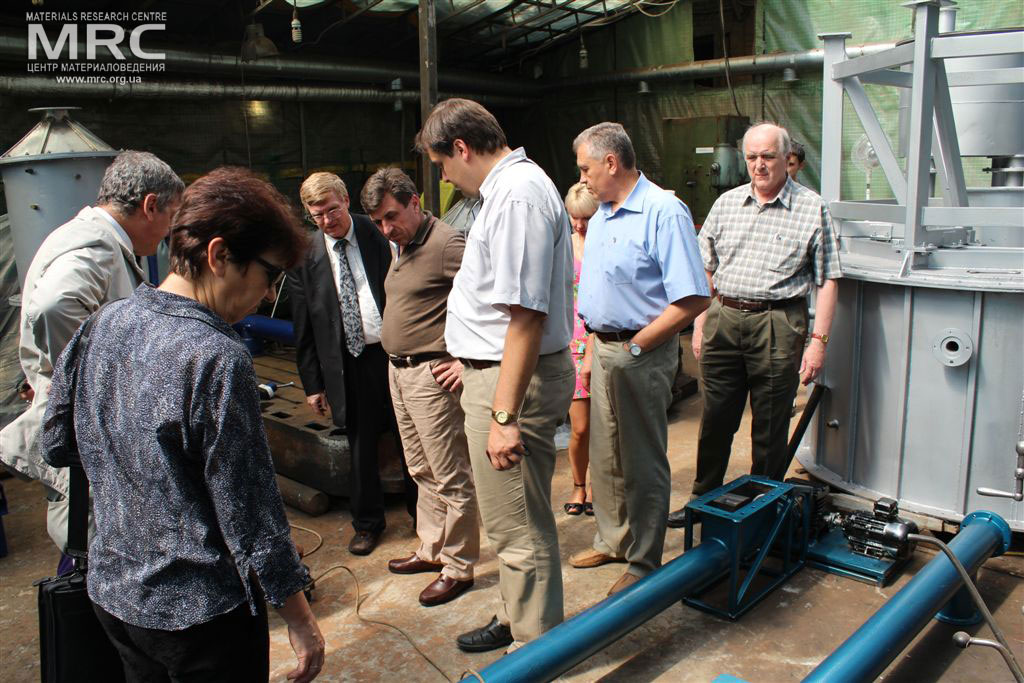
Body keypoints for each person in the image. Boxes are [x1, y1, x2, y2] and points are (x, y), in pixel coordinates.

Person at [40, 167, 325, 682]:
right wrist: (300, 619)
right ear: (219, 255)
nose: (268, 296)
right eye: (270, 275)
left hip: (114, 594)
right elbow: (252, 514)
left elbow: (57, 442)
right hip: (200, 616)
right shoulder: (215, 357)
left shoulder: (104, 321)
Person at [416, 98, 574, 653]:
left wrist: (504, 415)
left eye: (441, 164)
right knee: (513, 517)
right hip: (497, 374)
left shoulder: (517, 195)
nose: (444, 177)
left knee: (518, 526)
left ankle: (533, 649)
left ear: (461, 148)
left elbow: (527, 315)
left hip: (511, 385)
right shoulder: (505, 192)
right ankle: (515, 615)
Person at [0, 151, 183, 563]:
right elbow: (55, 306)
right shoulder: (97, 244)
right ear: (150, 206)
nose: (168, 230)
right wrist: (91, 382)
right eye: (170, 216)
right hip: (88, 439)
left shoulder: (84, 234)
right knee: (96, 551)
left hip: (85, 435)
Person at [667, 123, 840, 527]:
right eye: (752, 157)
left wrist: (818, 342)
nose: (759, 165)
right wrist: (699, 324)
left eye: (768, 157)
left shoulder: (812, 208)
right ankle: (702, 500)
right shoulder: (727, 204)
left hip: (778, 322)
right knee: (716, 419)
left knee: (770, 423)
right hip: (724, 317)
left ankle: (762, 507)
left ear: (786, 158)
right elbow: (705, 270)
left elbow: (828, 279)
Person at [571, 122, 710, 596]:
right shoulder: (603, 214)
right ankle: (613, 540)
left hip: (640, 352)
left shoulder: (663, 212)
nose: (583, 178)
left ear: (611, 163)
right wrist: (594, 350)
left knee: (642, 459)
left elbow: (693, 297)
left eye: (586, 168)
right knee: (606, 453)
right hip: (604, 348)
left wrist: (637, 346)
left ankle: (644, 560)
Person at [360, 168, 480, 607]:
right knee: (420, 469)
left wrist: (466, 361)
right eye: (378, 222)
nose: (386, 229)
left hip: (433, 374)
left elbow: (490, 301)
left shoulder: (447, 244)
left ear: (415, 202)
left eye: (391, 216)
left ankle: (459, 566)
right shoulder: (402, 244)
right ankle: (432, 549)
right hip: (399, 371)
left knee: (450, 474)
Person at [287, 172, 415, 556]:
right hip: (347, 362)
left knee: (410, 438)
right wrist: (313, 384)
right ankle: (368, 524)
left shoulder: (378, 232)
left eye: (332, 210)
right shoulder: (304, 255)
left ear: (345, 200)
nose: (327, 220)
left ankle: (423, 514)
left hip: (392, 353)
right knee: (360, 447)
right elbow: (303, 326)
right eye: (317, 215)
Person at [562, 183, 599, 516]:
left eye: (586, 217)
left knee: (607, 427)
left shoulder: (607, 245)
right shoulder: (564, 246)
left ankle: (602, 486)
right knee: (581, 427)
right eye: (574, 217)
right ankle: (578, 485)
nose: (579, 224)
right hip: (572, 344)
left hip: (603, 340)